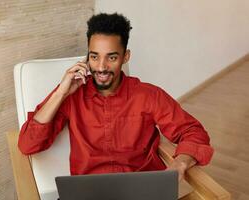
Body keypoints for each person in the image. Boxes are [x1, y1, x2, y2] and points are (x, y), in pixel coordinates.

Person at [18, 13, 214, 181]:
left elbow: (194, 133)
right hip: (88, 192)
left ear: (125, 56)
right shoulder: (70, 94)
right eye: (94, 57)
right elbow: (28, 144)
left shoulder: (149, 95)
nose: (101, 67)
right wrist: (60, 93)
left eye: (111, 57)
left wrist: (179, 163)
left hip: (141, 189)